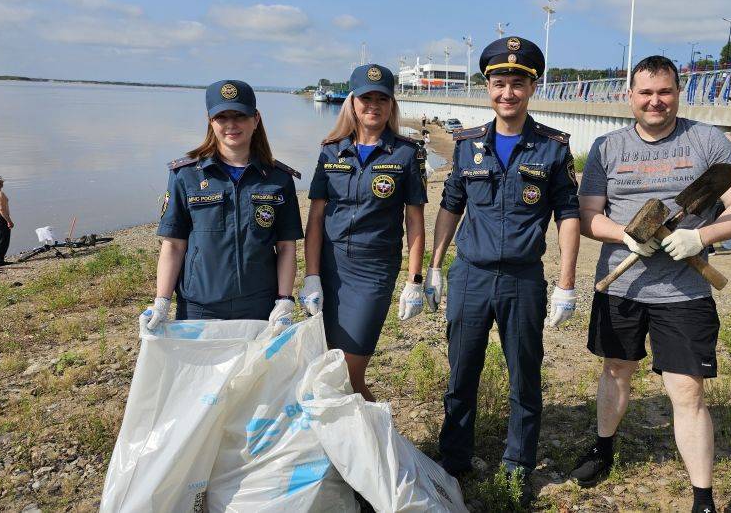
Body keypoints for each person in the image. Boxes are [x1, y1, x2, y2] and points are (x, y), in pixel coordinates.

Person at [569, 56, 731, 513]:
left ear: (678, 92)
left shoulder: (707, 142)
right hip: (622, 288)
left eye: (665, 92)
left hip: (684, 294)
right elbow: (588, 215)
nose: (655, 101)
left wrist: (702, 235)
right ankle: (603, 448)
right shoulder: (607, 147)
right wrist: (626, 237)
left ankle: (703, 498)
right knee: (616, 370)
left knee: (688, 390)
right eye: (646, 93)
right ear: (629, 96)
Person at [425, 36, 580, 506]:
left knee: (524, 375)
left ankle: (518, 464)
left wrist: (567, 285)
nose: (507, 92)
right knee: (461, 372)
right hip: (470, 275)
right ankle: (454, 459)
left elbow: (567, 215)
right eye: (498, 82)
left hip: (523, 280)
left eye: (517, 83)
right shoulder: (467, 145)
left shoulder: (552, 149)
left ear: (531, 87)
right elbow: (450, 206)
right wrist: (433, 268)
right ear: (486, 86)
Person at [299, 64, 427, 402]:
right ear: (352, 103)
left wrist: (414, 280)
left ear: (391, 104)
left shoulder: (406, 153)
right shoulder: (331, 150)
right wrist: (311, 275)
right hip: (330, 267)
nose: (373, 105)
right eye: (365, 98)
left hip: (373, 272)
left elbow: (414, 220)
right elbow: (315, 220)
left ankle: (377, 448)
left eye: (381, 98)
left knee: (349, 374)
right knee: (326, 366)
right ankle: (340, 446)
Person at [140, 80, 304, 331]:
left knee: (255, 371)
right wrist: (162, 301)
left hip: (260, 306)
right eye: (222, 117)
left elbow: (285, 247)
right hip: (200, 306)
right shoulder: (186, 175)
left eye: (240, 115)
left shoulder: (278, 178)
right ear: (210, 120)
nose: (231, 124)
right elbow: (173, 245)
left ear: (256, 118)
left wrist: (284, 300)